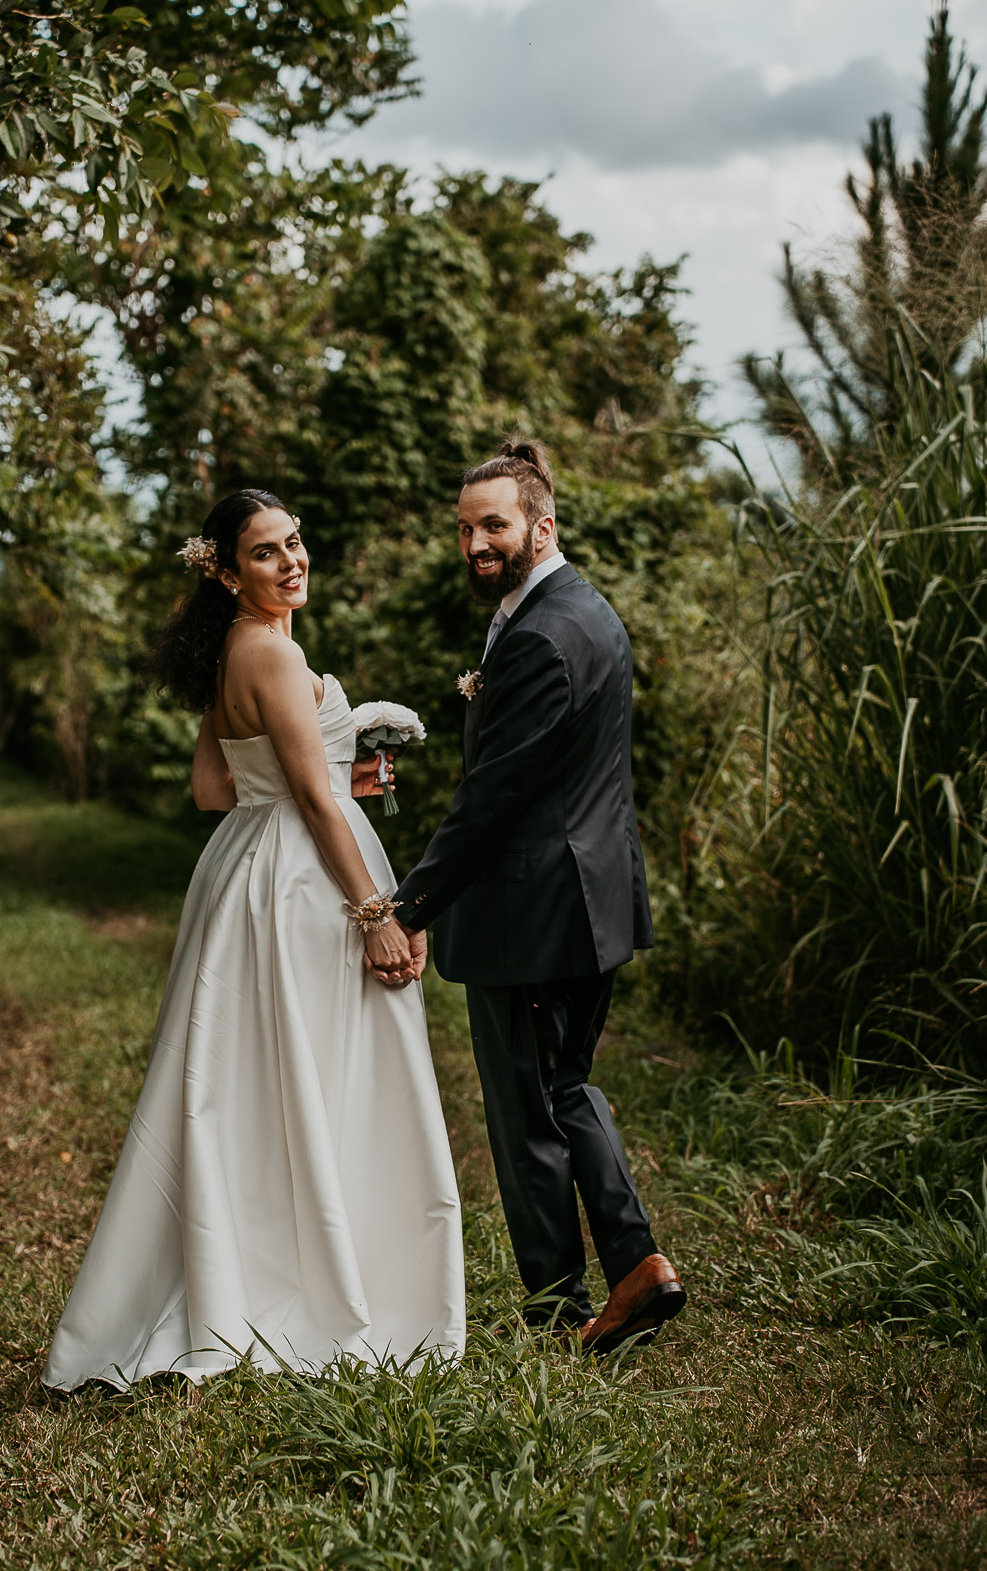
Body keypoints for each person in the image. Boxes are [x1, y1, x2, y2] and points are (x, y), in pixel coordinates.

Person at [42, 490, 465, 1391]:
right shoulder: (275, 651)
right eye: (268, 554)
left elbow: (212, 787)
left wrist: (320, 763)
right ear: (229, 573)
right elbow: (313, 802)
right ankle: (321, 1285)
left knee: (254, 1080)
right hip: (304, 885)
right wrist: (375, 916)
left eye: (296, 543)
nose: (293, 561)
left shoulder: (228, 652)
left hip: (242, 874)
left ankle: (257, 1266)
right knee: (326, 1071)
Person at [392, 437, 686, 1355]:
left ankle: (563, 1307)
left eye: (495, 525)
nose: (477, 543)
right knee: (565, 1088)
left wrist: (406, 906)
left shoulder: (542, 637)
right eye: (467, 528)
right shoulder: (585, 611)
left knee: (530, 1112)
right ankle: (633, 1271)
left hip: (534, 908)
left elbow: (490, 803)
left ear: (540, 525)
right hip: (589, 897)